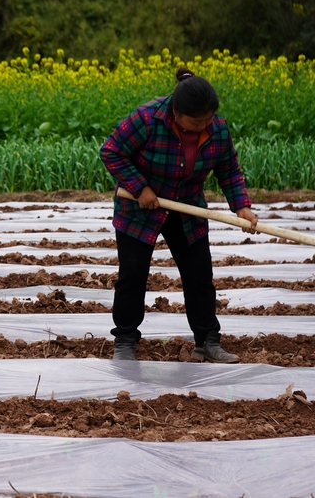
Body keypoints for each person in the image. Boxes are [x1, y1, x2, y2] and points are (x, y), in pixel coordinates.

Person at [100, 67, 258, 362]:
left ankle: (207, 340)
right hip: (140, 209)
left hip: (187, 209)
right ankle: (124, 340)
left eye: (208, 119)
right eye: (196, 121)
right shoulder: (147, 119)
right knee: (132, 276)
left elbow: (229, 170)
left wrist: (242, 207)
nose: (203, 126)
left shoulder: (217, 129)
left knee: (199, 276)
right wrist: (140, 188)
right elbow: (111, 151)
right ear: (175, 111)